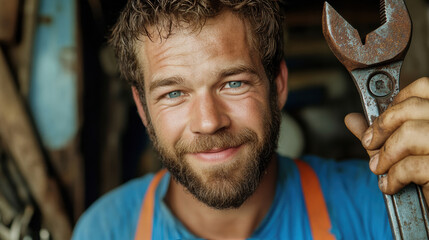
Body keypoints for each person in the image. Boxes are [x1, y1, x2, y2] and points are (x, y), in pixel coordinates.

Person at [72, 0, 429, 239]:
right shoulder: (105, 230)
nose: (209, 122)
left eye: (233, 83)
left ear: (278, 85)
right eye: (173, 93)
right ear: (142, 107)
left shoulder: (380, 204)